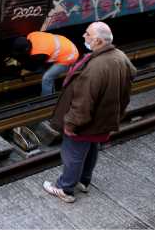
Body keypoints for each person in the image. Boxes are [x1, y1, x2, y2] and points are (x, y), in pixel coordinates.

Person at [43, 21, 136, 203]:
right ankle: (84, 181)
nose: (84, 37)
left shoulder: (96, 67)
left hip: (86, 121)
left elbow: (83, 102)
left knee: (73, 155)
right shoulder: (119, 56)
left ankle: (65, 188)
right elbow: (132, 73)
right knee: (92, 149)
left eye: (88, 35)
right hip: (103, 118)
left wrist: (71, 124)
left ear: (99, 41)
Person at [10, 31, 79, 96]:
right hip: (65, 44)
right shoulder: (31, 35)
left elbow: (36, 67)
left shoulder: (40, 53)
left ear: (26, 49)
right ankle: (51, 94)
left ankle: (46, 100)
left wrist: (25, 70)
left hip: (69, 56)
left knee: (47, 77)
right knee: (47, 72)